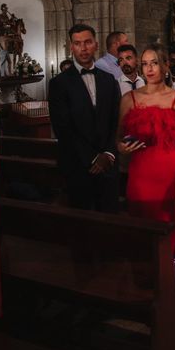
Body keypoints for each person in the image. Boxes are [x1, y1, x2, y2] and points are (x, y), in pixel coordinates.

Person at [118, 44, 175, 251]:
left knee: (171, 228)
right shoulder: (129, 99)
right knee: (142, 228)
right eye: (144, 64)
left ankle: (172, 276)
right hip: (141, 173)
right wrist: (122, 148)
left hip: (172, 174)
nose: (149, 69)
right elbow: (118, 140)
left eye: (154, 63)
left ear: (165, 66)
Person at [48, 24, 121, 212]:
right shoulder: (59, 84)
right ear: (71, 47)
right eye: (78, 43)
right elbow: (63, 128)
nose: (83, 48)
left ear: (96, 45)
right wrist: (93, 158)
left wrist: (109, 153)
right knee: (84, 225)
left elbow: (117, 121)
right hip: (78, 165)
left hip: (109, 164)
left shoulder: (109, 80)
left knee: (112, 221)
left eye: (88, 42)